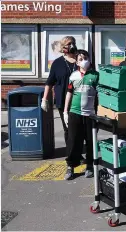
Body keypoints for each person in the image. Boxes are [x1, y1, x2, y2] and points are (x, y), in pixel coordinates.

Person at [41, 36, 85, 164]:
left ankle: (78, 153)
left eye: (73, 43)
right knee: (69, 130)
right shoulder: (57, 63)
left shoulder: (80, 60)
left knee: (80, 129)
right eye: (69, 43)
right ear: (63, 47)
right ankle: (72, 156)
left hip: (79, 100)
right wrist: (45, 99)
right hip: (62, 101)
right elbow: (49, 82)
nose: (72, 45)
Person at [63, 49, 99, 180]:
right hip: (75, 112)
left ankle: (89, 166)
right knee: (73, 140)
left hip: (90, 114)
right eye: (81, 59)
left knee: (90, 141)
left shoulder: (96, 75)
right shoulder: (73, 76)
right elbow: (69, 93)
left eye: (86, 58)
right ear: (77, 62)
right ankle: (71, 166)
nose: (84, 61)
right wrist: (65, 111)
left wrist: (99, 112)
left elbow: (99, 95)